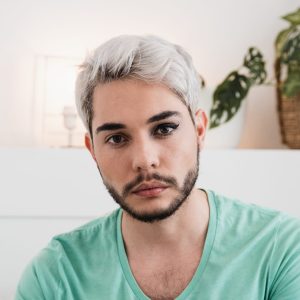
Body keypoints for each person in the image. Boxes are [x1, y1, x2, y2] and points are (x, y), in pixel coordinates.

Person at [15, 35, 300, 300]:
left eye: (164, 129)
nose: (144, 159)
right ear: (92, 150)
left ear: (199, 130)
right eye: (116, 138)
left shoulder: (282, 251)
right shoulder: (54, 276)